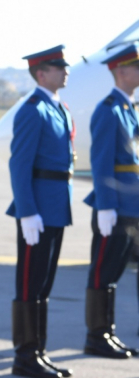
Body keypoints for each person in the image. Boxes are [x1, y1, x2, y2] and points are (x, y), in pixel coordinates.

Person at [6, 45, 74, 377]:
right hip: (38, 212)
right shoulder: (33, 110)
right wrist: (27, 212)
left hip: (56, 209)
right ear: (41, 73)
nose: (65, 70)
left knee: (44, 285)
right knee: (30, 284)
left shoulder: (58, 108)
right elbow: (20, 165)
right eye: (58, 67)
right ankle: (25, 356)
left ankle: (38, 352)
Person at [81, 43, 139, 359]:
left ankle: (107, 332)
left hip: (131, 206)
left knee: (114, 273)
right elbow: (101, 162)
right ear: (121, 71)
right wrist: (105, 206)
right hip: (115, 207)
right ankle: (96, 336)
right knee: (103, 273)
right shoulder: (109, 110)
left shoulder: (128, 109)